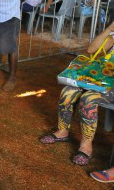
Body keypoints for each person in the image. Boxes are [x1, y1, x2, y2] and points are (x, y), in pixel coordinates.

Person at [39, 20, 114, 166]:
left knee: (88, 99)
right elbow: (92, 49)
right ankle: (62, 132)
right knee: (69, 90)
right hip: (100, 79)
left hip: (110, 86)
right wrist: (109, 29)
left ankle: (86, 146)